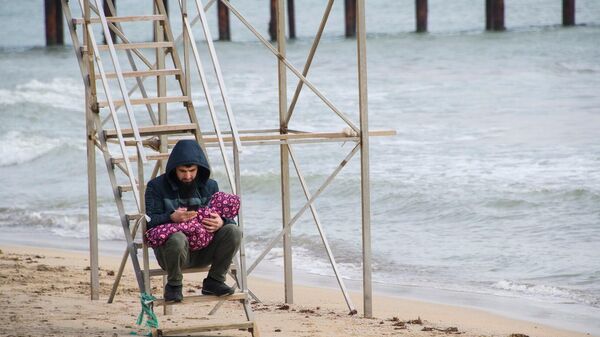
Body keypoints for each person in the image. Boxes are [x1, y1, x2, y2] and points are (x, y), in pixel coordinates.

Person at [145, 139, 242, 302]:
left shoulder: (210, 185)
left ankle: (214, 281)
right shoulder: (156, 186)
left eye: (192, 170)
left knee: (234, 230)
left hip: (204, 251)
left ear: (199, 169)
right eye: (182, 171)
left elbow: (225, 219)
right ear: (174, 169)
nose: (188, 176)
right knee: (177, 236)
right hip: (172, 255)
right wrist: (171, 217)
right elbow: (149, 222)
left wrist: (221, 222)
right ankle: (174, 285)